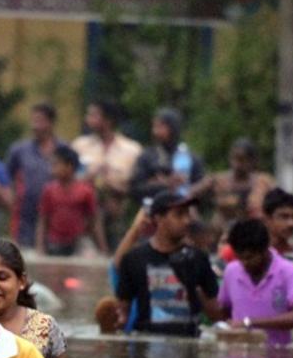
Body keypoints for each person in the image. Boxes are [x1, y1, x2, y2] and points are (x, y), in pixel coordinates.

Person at [115, 191, 219, 336]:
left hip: (188, 343)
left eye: (187, 214)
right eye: (179, 214)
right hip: (146, 342)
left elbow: (215, 314)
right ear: (158, 218)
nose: (187, 221)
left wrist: (191, 285)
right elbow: (122, 314)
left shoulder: (198, 258)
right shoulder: (134, 259)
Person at [213, 219, 293, 345]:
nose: (244, 263)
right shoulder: (231, 271)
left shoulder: (287, 271)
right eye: (240, 258)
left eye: (249, 258)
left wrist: (249, 323)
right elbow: (223, 311)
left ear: (264, 250)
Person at [71, 99, 143, 251]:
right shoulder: (79, 146)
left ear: (108, 120)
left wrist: (111, 182)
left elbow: (135, 186)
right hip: (84, 222)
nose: (87, 119)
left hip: (120, 219)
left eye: (93, 115)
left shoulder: (132, 150)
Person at [6, 103, 67, 246]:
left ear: (51, 123)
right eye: (33, 121)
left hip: (56, 216)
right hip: (26, 216)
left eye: (40, 121)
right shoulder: (19, 150)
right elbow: (8, 178)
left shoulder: (64, 149)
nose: (35, 126)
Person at [191, 138, 274, 239]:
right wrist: (197, 221)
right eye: (234, 158)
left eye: (242, 159)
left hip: (255, 238)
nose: (237, 164)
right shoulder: (218, 181)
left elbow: (281, 203)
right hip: (221, 237)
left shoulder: (264, 182)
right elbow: (190, 194)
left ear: (252, 161)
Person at [36, 145, 107, 256]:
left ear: (69, 167)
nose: (52, 169)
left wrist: (103, 249)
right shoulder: (49, 190)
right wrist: (40, 248)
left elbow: (94, 221)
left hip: (78, 243)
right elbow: (43, 220)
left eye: (56, 165)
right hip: (55, 242)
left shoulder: (86, 191)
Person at [129, 107, 205, 204]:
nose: (155, 131)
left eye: (160, 127)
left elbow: (202, 187)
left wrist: (188, 187)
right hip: (153, 210)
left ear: (173, 128)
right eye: (154, 127)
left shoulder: (191, 157)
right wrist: (165, 184)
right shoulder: (147, 156)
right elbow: (135, 189)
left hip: (184, 210)